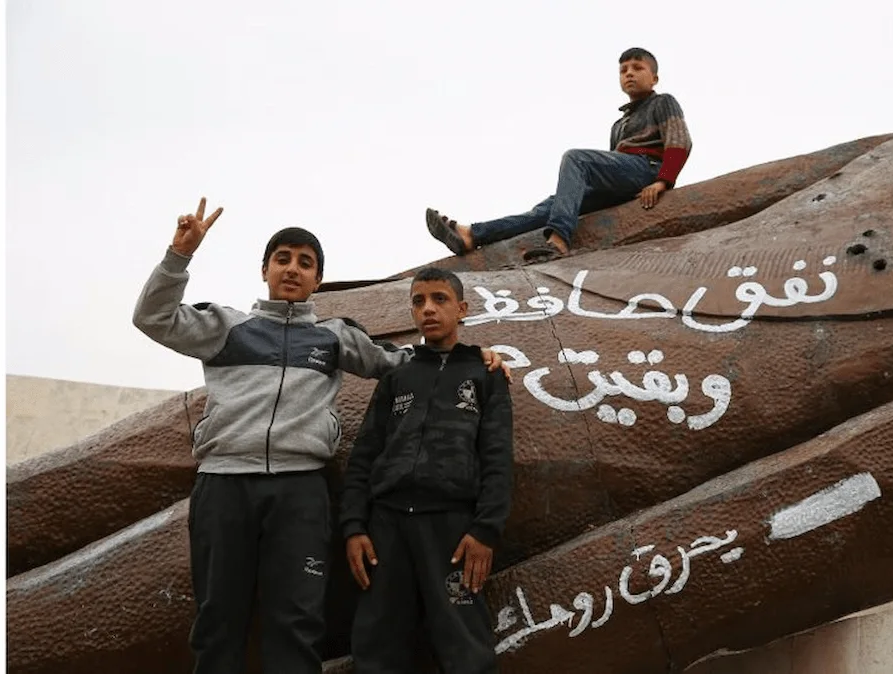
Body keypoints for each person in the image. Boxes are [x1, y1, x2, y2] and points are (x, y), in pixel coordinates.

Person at [131, 198, 508, 674]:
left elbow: (406, 364)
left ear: (318, 279)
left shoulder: (334, 337)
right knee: (217, 620)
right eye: (282, 259)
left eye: (305, 263)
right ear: (264, 269)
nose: (293, 269)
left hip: (301, 491)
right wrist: (178, 255)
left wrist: (479, 358)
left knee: (296, 622)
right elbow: (152, 318)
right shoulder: (225, 328)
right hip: (224, 484)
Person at [339, 267, 514, 674]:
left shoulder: (485, 376)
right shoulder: (397, 377)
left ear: (462, 309)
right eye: (418, 302)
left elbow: (497, 457)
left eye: (439, 299)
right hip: (387, 528)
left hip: (452, 531)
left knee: (465, 647)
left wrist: (485, 530)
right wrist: (354, 527)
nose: (428, 310)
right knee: (376, 645)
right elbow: (364, 456)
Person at [426, 47, 692, 262]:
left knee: (576, 159)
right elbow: (612, 166)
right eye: (623, 70)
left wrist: (662, 181)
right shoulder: (619, 124)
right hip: (624, 178)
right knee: (552, 206)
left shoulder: (662, 102)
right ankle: (472, 235)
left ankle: (560, 240)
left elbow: (680, 142)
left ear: (654, 78)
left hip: (646, 168)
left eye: (637, 68)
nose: (629, 74)